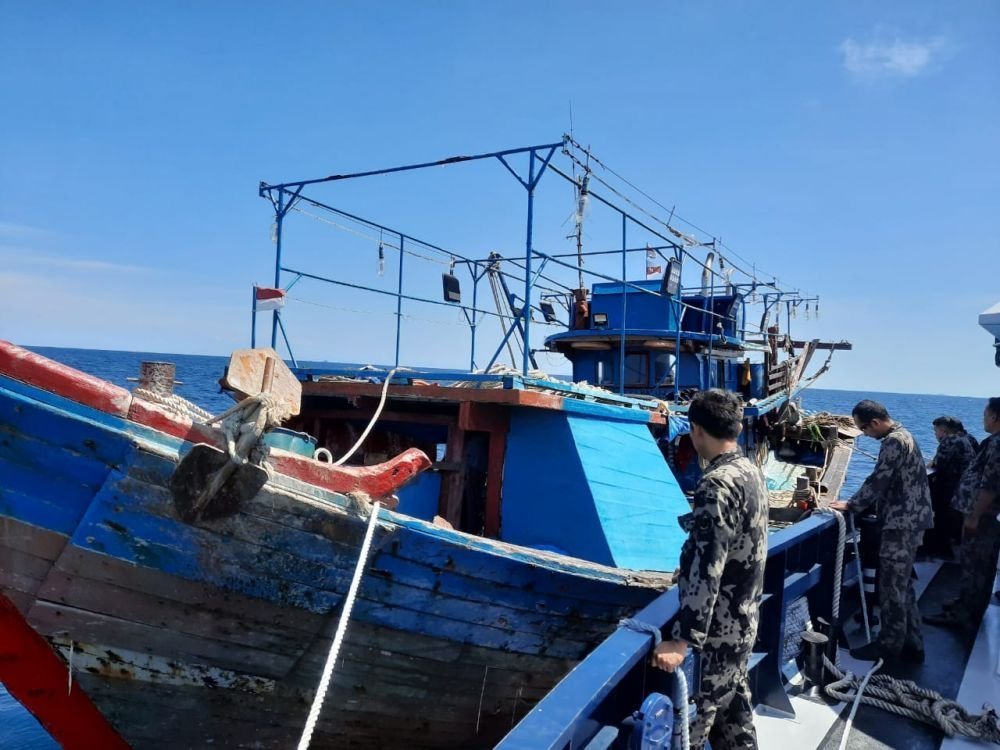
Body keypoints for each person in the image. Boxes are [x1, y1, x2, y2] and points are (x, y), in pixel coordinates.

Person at [651, 389, 768, 750]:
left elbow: (708, 565)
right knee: (734, 719)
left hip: (717, 635)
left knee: (693, 729)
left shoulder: (716, 483)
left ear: (697, 429)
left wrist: (682, 639)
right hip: (744, 622)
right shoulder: (749, 470)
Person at [830, 400, 933, 664]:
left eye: (864, 428)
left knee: (891, 587)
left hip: (901, 523)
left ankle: (889, 645)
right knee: (903, 585)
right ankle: (913, 643)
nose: (864, 434)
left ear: (875, 422)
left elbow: (878, 479)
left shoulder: (893, 442)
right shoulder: (905, 434)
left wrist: (852, 504)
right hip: (911, 521)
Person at [925, 397, 1000, 628]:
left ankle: (965, 615)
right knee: (974, 564)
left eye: (985, 415)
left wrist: (974, 516)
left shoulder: (997, 444)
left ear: (995, 417)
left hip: (982, 516)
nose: (983, 419)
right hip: (982, 514)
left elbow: (991, 485)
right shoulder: (980, 440)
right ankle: (966, 604)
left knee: (976, 566)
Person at [925, 416, 976, 558]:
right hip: (967, 488)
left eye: (935, 431)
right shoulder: (967, 438)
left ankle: (940, 549)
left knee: (937, 512)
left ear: (943, 430)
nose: (935, 434)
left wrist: (932, 463)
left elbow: (939, 465)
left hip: (955, 488)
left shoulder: (949, 441)